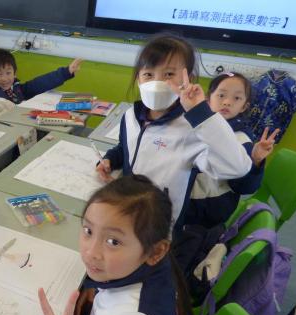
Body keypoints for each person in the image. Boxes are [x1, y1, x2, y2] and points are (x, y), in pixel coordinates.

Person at [35, 175, 230, 315]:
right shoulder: (156, 269)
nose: (91, 252)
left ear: (156, 251)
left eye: (113, 242)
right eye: (88, 231)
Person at [96, 34, 252, 226]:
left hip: (162, 223)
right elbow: (125, 148)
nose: (157, 82)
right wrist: (110, 159)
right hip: (129, 209)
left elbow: (238, 167)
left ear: (188, 79)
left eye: (169, 74)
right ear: (138, 79)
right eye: (148, 74)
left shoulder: (194, 128)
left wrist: (201, 113)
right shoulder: (130, 116)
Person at [185, 72, 278, 227]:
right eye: (221, 95)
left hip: (206, 216)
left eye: (237, 98)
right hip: (182, 203)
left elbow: (245, 187)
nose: (227, 102)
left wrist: (255, 160)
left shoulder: (242, 140)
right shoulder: (194, 125)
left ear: (244, 106)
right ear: (208, 99)